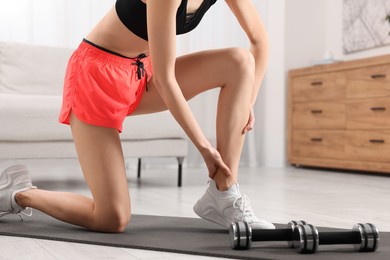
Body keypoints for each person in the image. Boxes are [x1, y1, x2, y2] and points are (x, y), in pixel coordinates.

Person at [0, 0, 275, 232]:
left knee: (240, 62)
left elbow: (259, 40)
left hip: (141, 73)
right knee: (112, 218)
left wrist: (246, 100)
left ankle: (223, 194)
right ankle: (20, 193)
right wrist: (204, 147)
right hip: (96, 79)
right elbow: (167, 80)